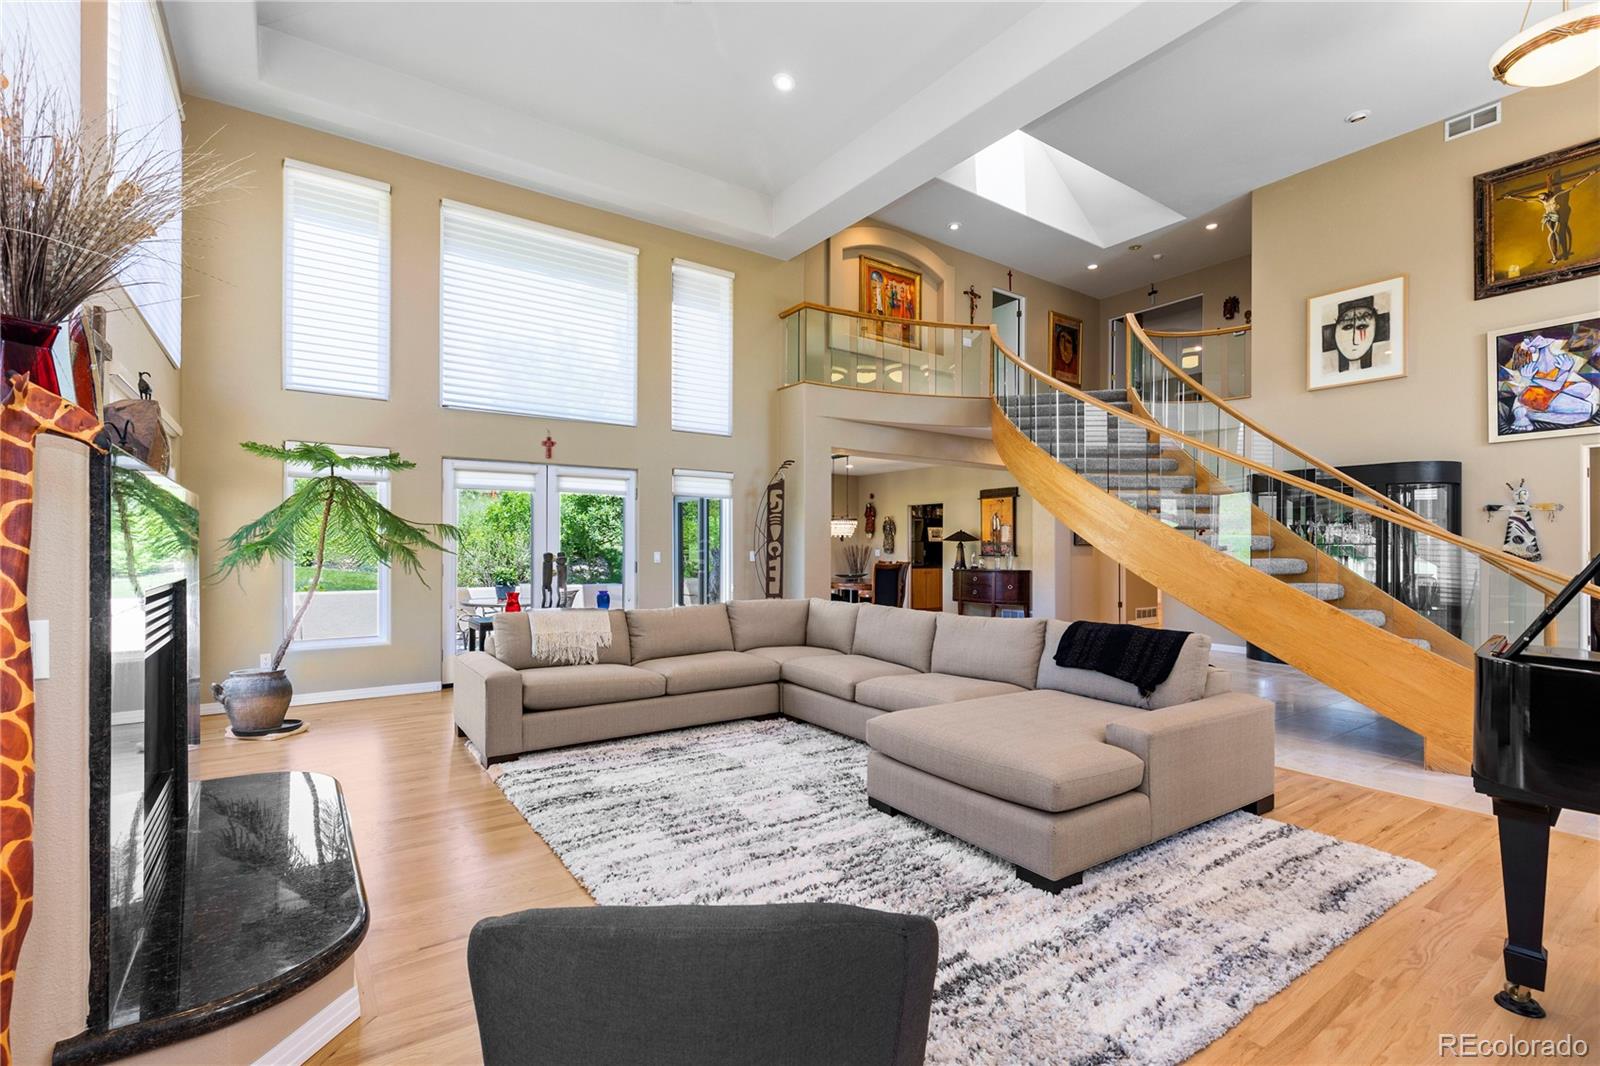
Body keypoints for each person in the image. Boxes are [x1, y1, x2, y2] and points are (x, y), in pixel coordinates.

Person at [1500, 163, 1600, 265]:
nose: (1540, 197)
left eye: (1541, 196)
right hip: (1548, 217)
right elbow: (1526, 200)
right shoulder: (1541, 201)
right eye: (1539, 197)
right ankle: (1554, 256)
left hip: (1554, 215)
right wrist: (1511, 197)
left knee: (1555, 232)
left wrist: (1589, 175)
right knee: (1552, 233)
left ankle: (1556, 255)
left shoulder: (1553, 197)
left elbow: (1573, 187)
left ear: (1546, 195)